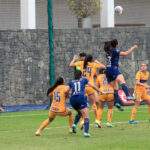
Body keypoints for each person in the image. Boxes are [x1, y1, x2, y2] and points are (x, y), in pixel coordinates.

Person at [69, 54, 105, 127]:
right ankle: (97, 120)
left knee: (81, 106)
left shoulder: (81, 63)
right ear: (91, 60)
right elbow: (104, 67)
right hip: (90, 86)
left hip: (82, 86)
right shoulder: (93, 65)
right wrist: (98, 62)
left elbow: (71, 65)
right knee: (93, 104)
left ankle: (81, 121)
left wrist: (74, 59)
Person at [65, 70, 101, 137]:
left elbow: (65, 91)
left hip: (72, 99)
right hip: (81, 98)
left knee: (80, 113)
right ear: (81, 75)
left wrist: (69, 94)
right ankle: (86, 133)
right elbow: (92, 86)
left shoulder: (71, 82)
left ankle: (74, 124)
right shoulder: (84, 80)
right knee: (86, 115)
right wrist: (99, 91)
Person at [104, 39, 138, 111]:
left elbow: (106, 62)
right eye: (118, 42)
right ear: (116, 44)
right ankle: (128, 96)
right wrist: (133, 47)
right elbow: (125, 53)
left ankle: (116, 102)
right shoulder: (115, 51)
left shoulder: (108, 52)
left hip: (108, 70)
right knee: (122, 82)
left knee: (116, 87)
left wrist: (106, 70)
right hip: (114, 69)